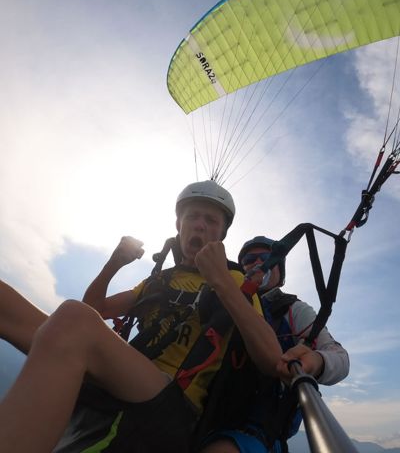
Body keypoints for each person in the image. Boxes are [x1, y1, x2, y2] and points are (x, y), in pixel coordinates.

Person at [0, 181, 281, 453]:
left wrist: (219, 279)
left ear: (220, 236)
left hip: (176, 403)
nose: (200, 225)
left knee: (74, 319)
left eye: (211, 221)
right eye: (192, 216)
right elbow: (94, 311)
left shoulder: (234, 278)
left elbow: (271, 359)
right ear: (178, 225)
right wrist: (114, 263)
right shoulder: (159, 280)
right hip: (123, 377)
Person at [198, 235, 350, 453]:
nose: (257, 263)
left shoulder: (293, 310)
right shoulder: (216, 300)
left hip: (255, 432)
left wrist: (316, 361)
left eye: (266, 257)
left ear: (280, 270)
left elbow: (339, 357)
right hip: (200, 414)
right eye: (249, 259)